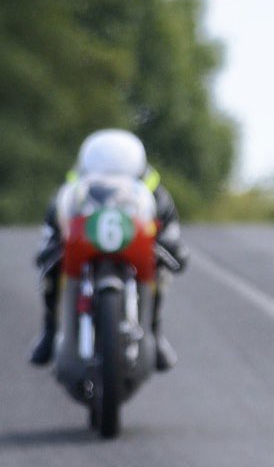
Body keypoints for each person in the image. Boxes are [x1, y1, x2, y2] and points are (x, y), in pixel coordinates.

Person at [28, 128, 189, 370]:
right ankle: (48, 332)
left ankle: (155, 333)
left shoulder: (153, 189)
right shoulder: (75, 186)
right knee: (50, 273)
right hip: (85, 245)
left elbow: (170, 227)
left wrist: (171, 246)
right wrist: (51, 244)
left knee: (162, 272)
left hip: (135, 248)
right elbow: (53, 221)